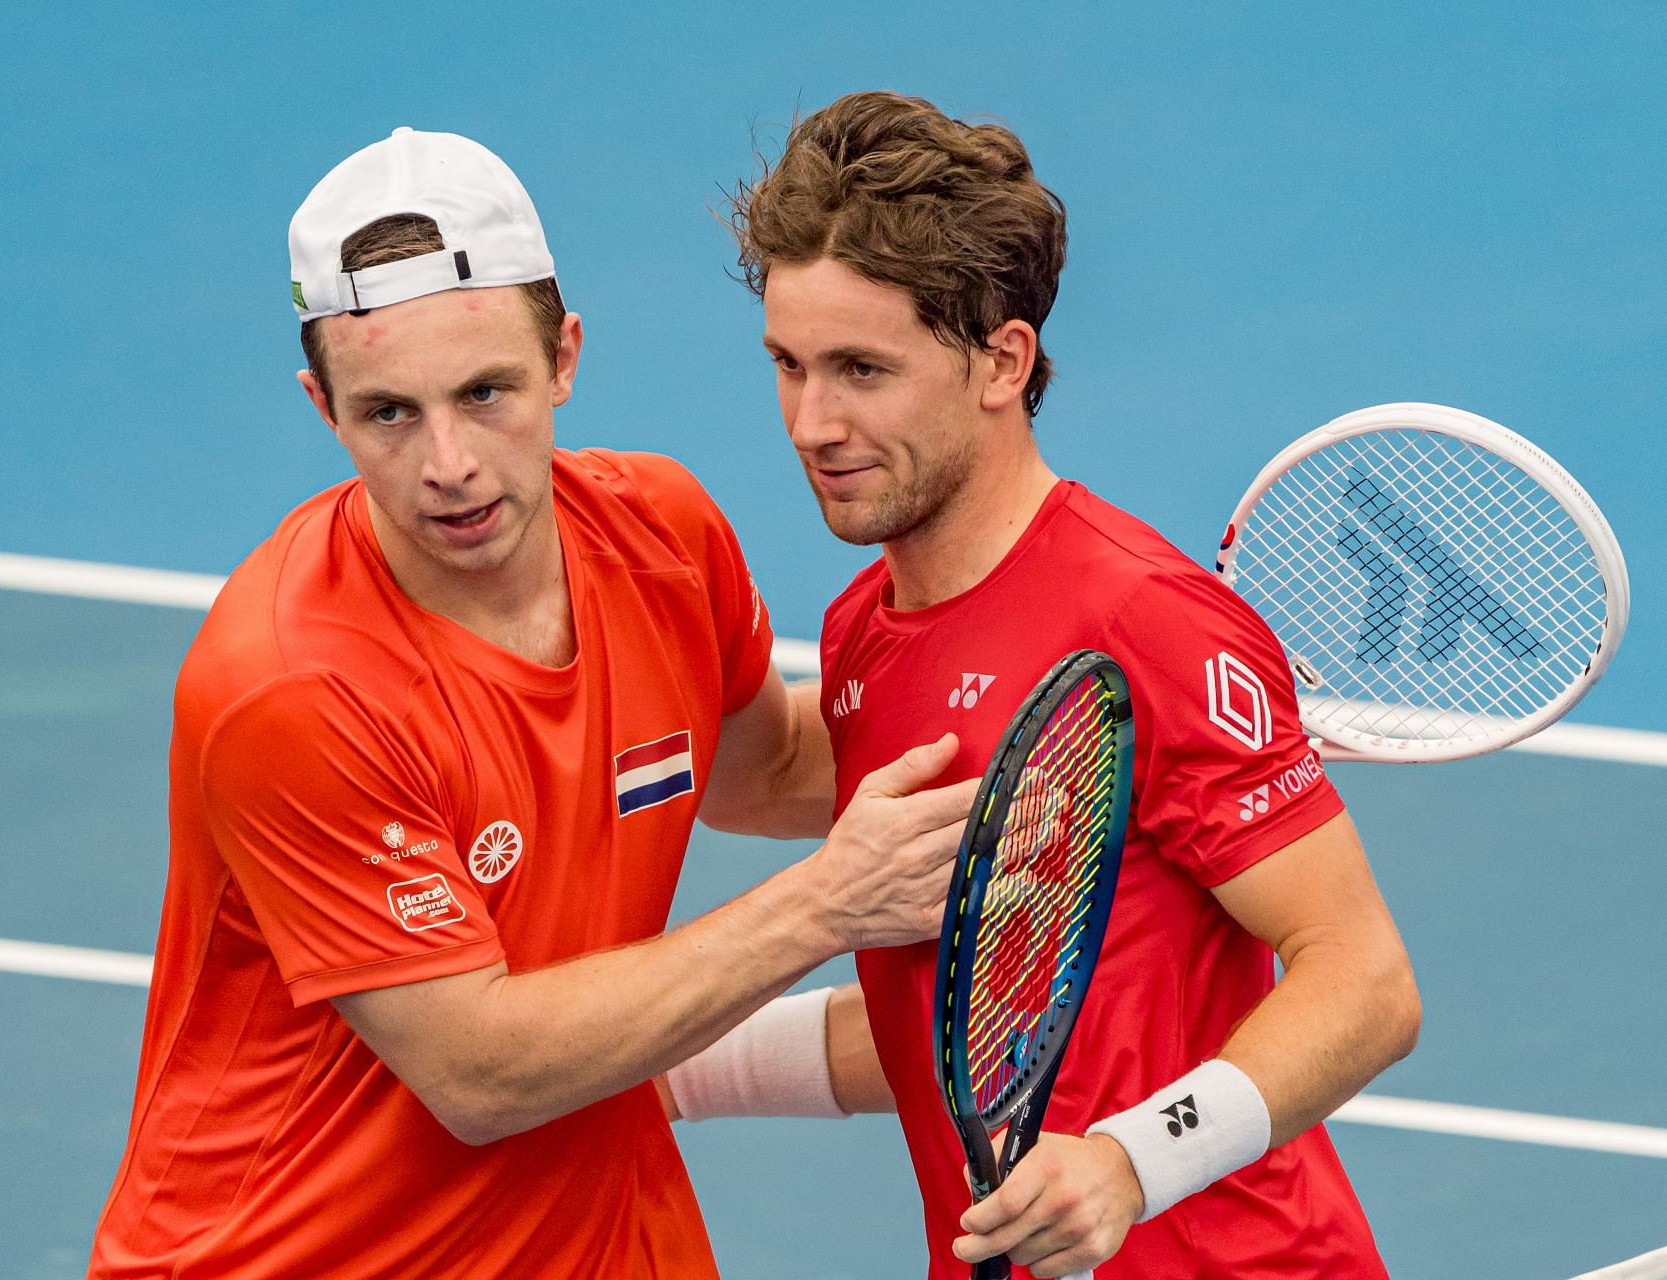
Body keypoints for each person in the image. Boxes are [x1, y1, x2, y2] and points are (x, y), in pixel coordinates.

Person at [85, 126, 977, 1279]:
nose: (447, 461)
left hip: (599, 1237)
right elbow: (481, 1072)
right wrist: (828, 904)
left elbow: (771, 771)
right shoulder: (292, 686)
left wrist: (1088, 751)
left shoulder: (663, 533)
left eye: (485, 391)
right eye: (389, 413)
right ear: (323, 406)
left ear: (564, 358)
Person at [722, 91, 1423, 1278]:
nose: (811, 421)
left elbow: (1366, 982)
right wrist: (652, 1067)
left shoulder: (1141, 618)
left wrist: (1129, 1161)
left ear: (1003, 360)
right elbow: (949, 1025)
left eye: (860, 369)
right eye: (788, 365)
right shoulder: (860, 636)